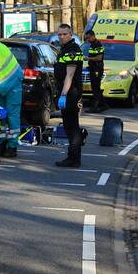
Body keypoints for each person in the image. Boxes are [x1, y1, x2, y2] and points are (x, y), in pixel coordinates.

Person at [54, 24, 84, 168]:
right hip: (68, 92)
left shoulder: (72, 50)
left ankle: (73, 158)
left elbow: (70, 75)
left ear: (71, 33)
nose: (61, 37)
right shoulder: (65, 49)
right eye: (59, 34)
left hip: (72, 93)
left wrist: (64, 95)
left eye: (64, 34)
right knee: (69, 126)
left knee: (72, 126)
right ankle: (73, 155)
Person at [0, 38, 22, 156]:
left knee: (10, 115)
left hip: (11, 82)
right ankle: (3, 143)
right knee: (1, 114)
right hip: (5, 82)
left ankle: (12, 146)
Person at [84, 30, 108, 113]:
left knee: (96, 88)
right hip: (93, 68)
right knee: (95, 87)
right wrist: (90, 64)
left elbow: (99, 58)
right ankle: (104, 105)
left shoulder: (98, 45)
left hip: (97, 69)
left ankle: (94, 107)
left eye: (88, 37)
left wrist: (88, 58)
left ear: (92, 36)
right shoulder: (92, 44)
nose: (87, 39)